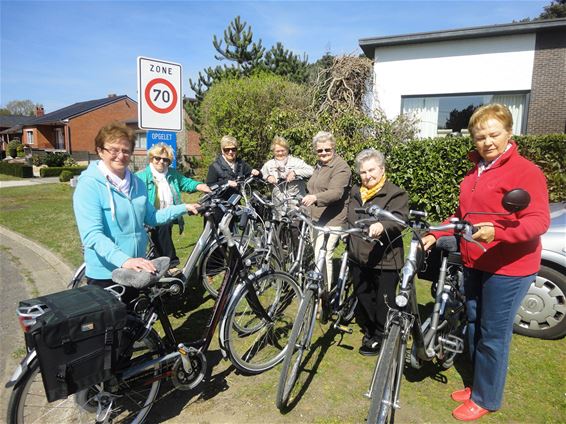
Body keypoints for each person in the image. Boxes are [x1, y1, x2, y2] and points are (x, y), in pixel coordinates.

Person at [421, 104, 550, 421]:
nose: (487, 142)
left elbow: (538, 221)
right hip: (475, 262)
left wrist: (501, 232)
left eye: (494, 134)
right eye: (480, 137)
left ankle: (487, 398)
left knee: (493, 334)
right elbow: (462, 217)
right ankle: (478, 385)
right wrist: (435, 234)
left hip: (509, 269)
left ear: (509, 132)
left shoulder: (526, 172)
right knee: (475, 325)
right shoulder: (474, 172)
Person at [73, 122, 199, 302]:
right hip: (107, 273)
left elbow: (152, 217)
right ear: (100, 151)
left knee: (135, 323)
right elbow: (92, 235)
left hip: (136, 270)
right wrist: (125, 260)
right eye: (113, 150)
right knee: (112, 327)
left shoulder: (136, 184)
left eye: (126, 151)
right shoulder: (89, 185)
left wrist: (183, 208)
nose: (120, 156)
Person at [347, 149, 408, 355]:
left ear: (382, 169)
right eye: (363, 172)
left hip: (385, 259)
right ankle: (370, 330)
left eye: (371, 170)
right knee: (364, 296)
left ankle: (382, 334)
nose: (368, 176)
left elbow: (399, 219)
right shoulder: (355, 192)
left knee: (384, 302)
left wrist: (382, 225)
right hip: (359, 257)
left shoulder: (394, 193)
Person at [136, 142, 211, 273]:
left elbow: (186, 183)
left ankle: (159, 266)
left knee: (161, 242)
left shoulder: (172, 174)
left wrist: (201, 186)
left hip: (169, 214)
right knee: (161, 234)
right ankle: (171, 264)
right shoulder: (141, 176)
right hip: (150, 217)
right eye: (157, 158)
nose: (161, 162)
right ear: (151, 158)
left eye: (165, 159)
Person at [301, 131, 351, 286]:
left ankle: (325, 296)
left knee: (324, 256)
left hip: (333, 219)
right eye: (320, 150)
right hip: (316, 217)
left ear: (333, 148)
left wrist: (315, 198)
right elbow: (313, 187)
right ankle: (317, 291)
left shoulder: (341, 167)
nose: (323, 153)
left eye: (327, 149)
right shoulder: (320, 166)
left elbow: (336, 193)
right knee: (317, 256)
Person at [261, 136, 313, 218]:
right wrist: (268, 177)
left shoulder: (296, 162)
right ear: (273, 152)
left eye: (283, 150)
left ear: (287, 150)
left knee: (295, 228)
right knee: (278, 227)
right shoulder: (268, 165)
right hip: (278, 204)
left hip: (296, 203)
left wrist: (295, 172)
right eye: (277, 151)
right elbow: (261, 175)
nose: (280, 153)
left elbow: (311, 171)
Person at [206, 135, 260, 200]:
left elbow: (251, 172)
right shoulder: (214, 166)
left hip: (236, 201)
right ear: (222, 150)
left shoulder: (241, 163)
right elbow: (210, 185)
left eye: (233, 149)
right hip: (220, 203)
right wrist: (226, 182)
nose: (230, 152)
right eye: (227, 150)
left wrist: (256, 171)